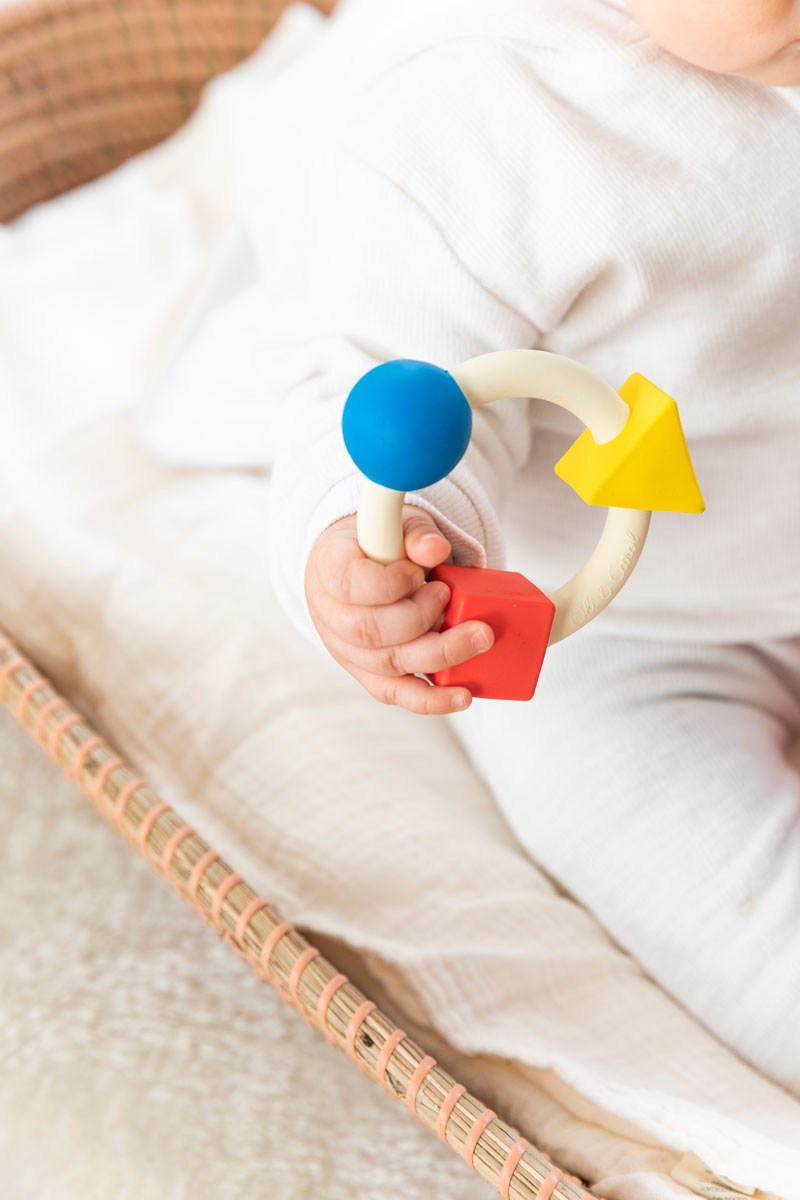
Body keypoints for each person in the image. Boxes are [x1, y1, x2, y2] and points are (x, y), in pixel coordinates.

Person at [267, 0, 800, 1092]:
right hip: (633, 638)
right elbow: (380, 388)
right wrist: (372, 549)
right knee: (714, 893)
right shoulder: (474, 110)